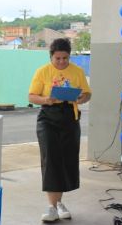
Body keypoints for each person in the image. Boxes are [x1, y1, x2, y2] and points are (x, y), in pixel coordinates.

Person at [28, 38, 91, 222]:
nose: (62, 62)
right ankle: (51, 207)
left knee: (66, 160)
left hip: (70, 118)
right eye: (58, 58)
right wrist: (46, 99)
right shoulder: (42, 72)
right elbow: (31, 96)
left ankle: (59, 203)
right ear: (51, 57)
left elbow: (87, 93)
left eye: (65, 58)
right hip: (48, 118)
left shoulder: (77, 72)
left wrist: (81, 98)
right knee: (51, 159)